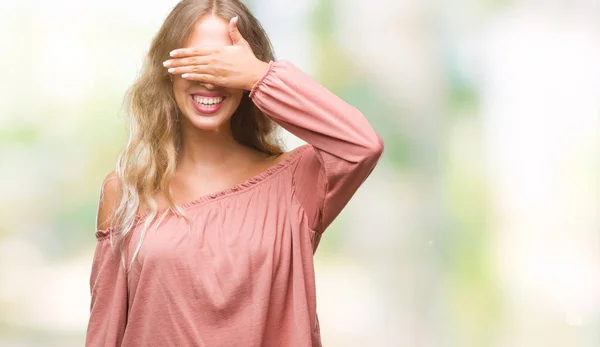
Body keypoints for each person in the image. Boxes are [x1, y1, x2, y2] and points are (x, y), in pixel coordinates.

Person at [86, 0, 383, 346]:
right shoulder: (126, 191)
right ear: (166, 71)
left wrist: (260, 76)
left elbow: (362, 145)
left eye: (224, 64)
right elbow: (105, 334)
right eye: (196, 61)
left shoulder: (294, 183)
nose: (210, 79)